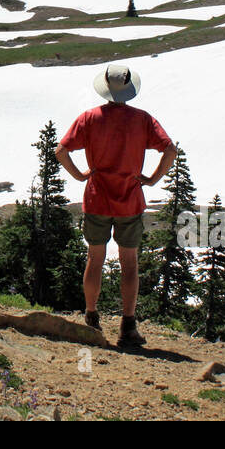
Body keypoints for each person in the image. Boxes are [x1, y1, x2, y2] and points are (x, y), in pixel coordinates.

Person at [55, 63, 176, 350]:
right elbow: (170, 150)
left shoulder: (90, 118)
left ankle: (91, 318)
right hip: (130, 199)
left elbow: (62, 150)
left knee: (94, 259)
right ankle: (128, 326)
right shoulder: (143, 119)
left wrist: (80, 175)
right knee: (129, 264)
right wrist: (152, 179)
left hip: (97, 197)